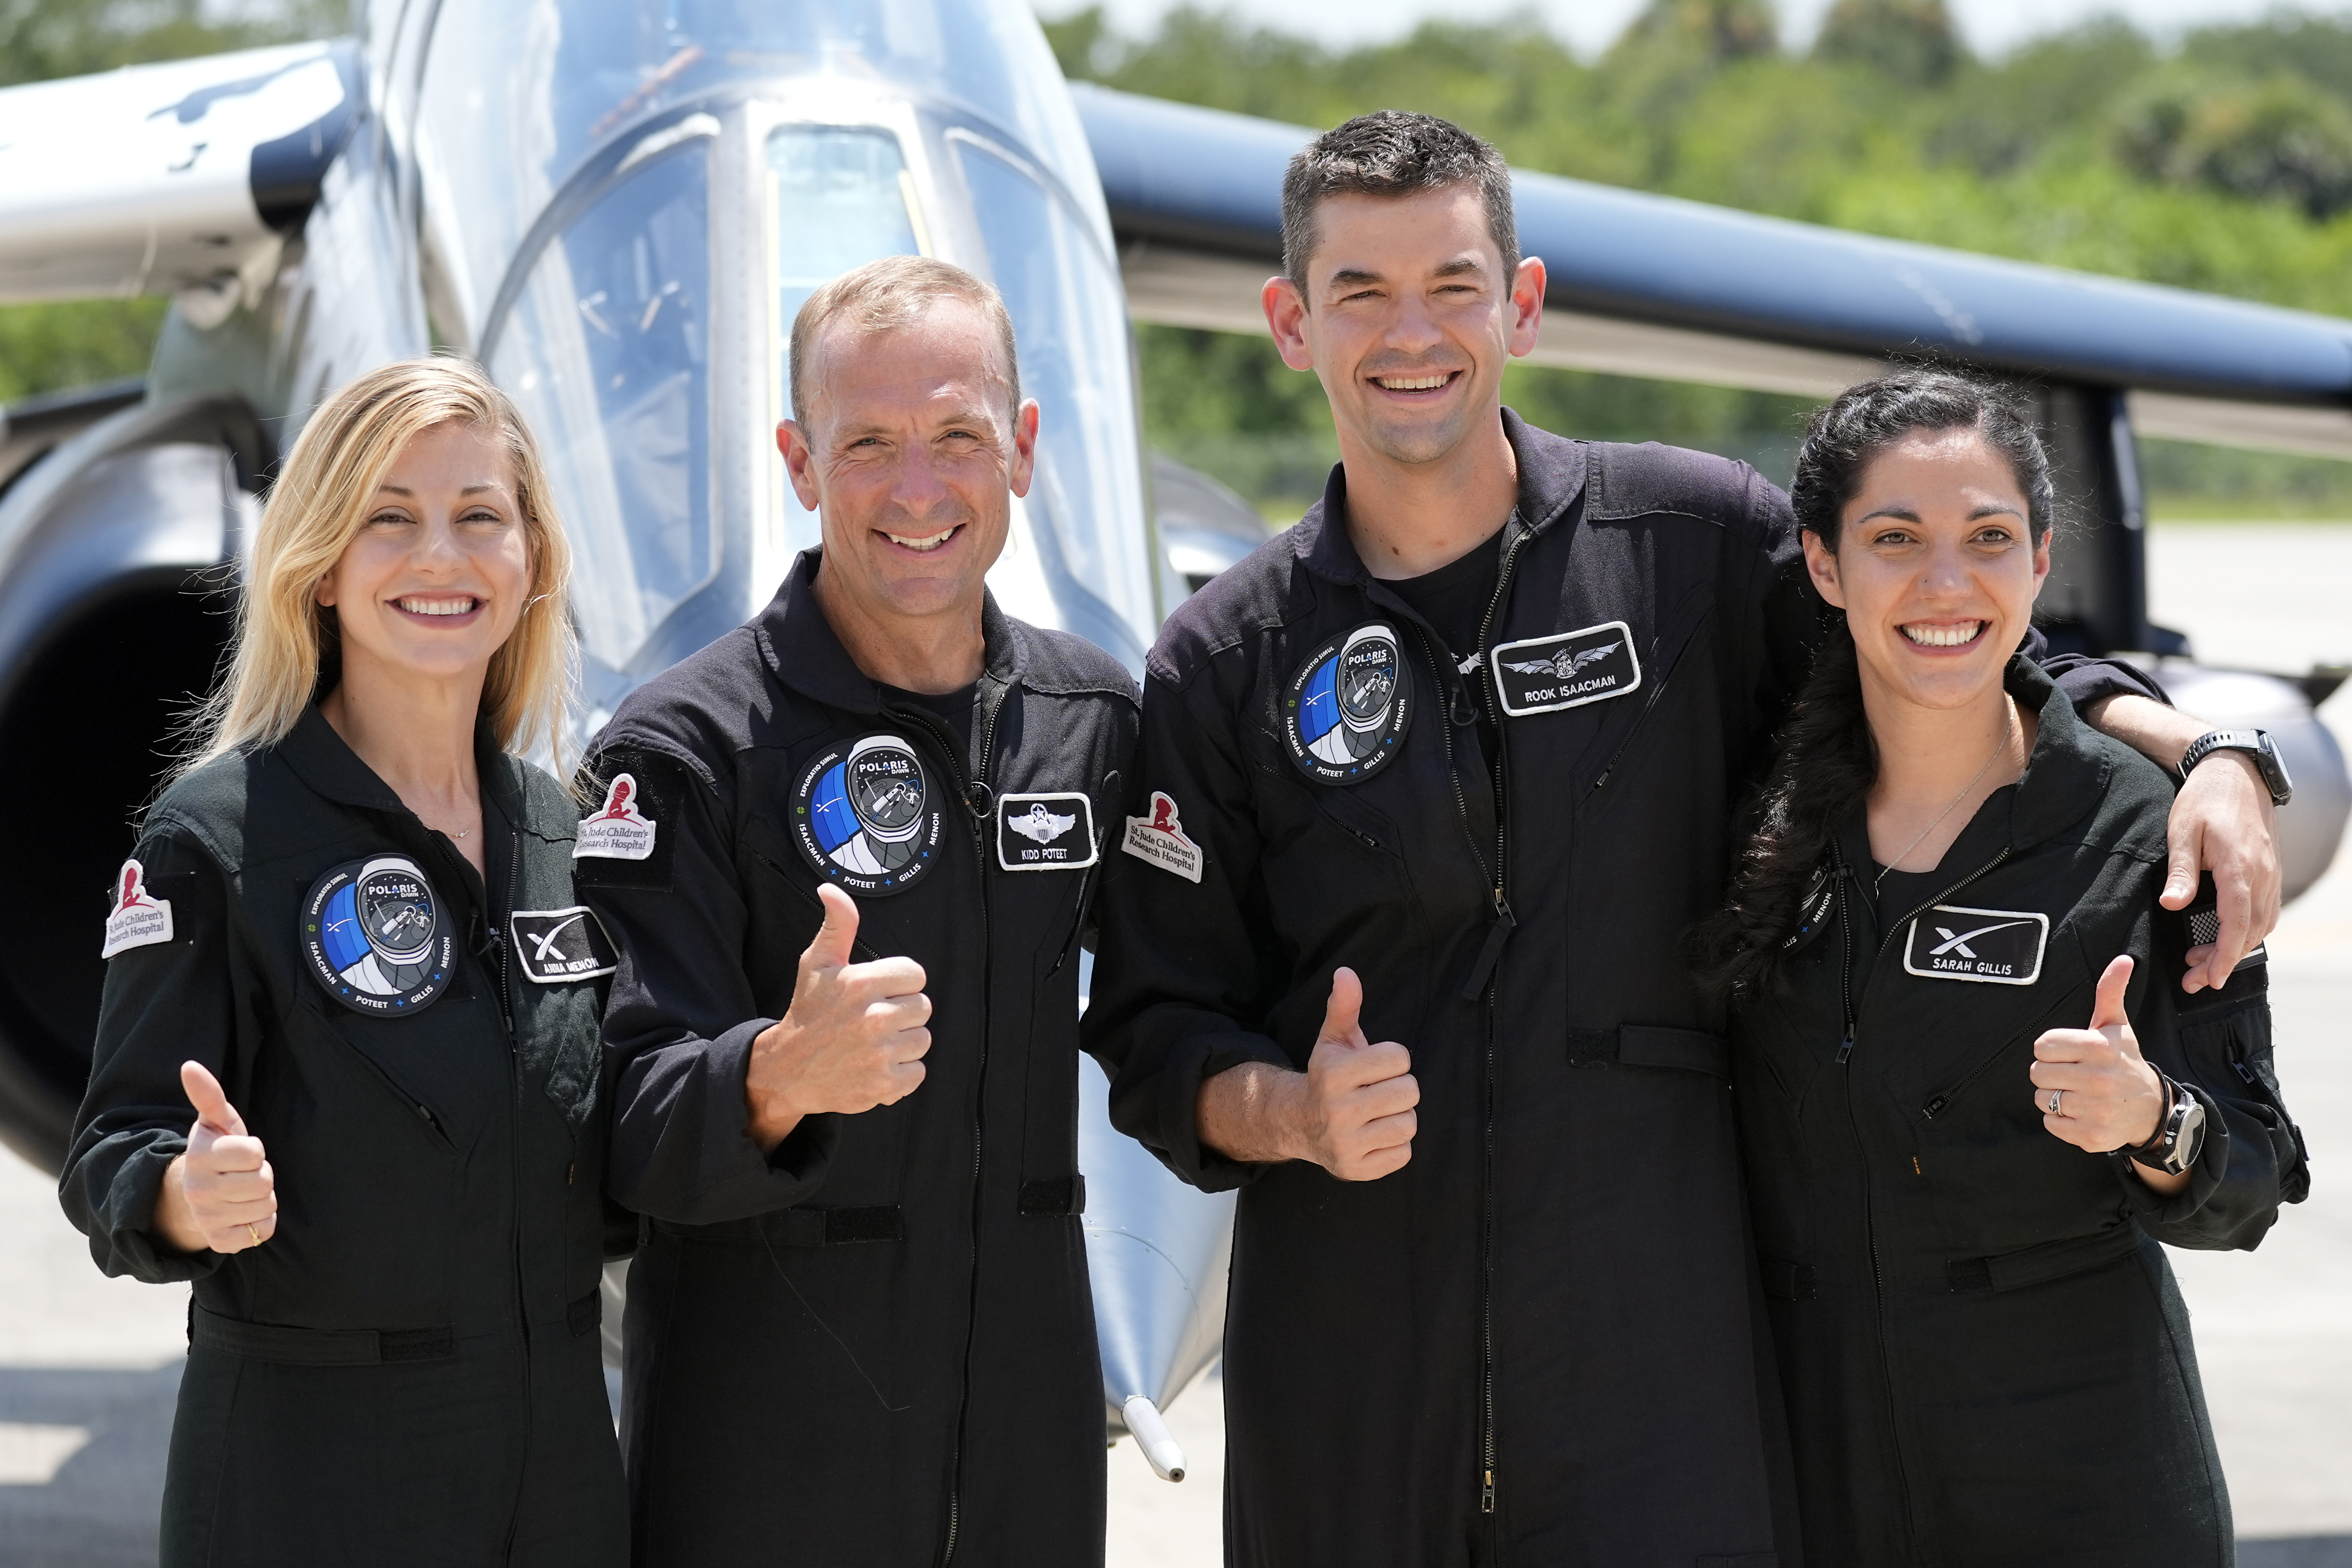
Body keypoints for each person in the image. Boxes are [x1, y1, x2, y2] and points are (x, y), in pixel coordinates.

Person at [1079, 111, 2286, 1566]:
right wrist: (1290, 1115)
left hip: (1659, 1376)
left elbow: (1929, 637)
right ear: (1289, 322)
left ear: (1521, 305)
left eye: (1456, 284)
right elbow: (1154, 1029)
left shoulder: (1689, 544)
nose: (1415, 333)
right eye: (1362, 292)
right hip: (1354, 1371)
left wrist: (2203, 742)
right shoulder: (1225, 658)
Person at [576, 255, 1136, 1566]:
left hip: (1028, 1469)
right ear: (799, 460)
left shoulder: (1094, 722)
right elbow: (608, 1127)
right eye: (869, 443)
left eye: (958, 436)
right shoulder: (679, 753)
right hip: (766, 1474)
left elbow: (1188, 999)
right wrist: (774, 1075)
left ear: (1025, 450)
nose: (920, 488)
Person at [1698, 369, 2307, 1566]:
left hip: (2081, 1485)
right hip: (1819, 1480)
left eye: (1987, 537)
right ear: (1825, 566)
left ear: (2039, 560)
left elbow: (2256, 1172)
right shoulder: (1759, 818)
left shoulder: (2146, 833)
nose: (1944, 582)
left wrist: (2154, 1119)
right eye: (1895, 538)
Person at [58, 358, 627, 1565]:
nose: (441, 555)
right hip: (315, 1486)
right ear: (321, 563)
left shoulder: (560, 834)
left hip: (560, 1481)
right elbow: (116, 1146)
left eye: (481, 515)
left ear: (531, 560)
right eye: (390, 517)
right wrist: (181, 1193)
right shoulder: (216, 839)